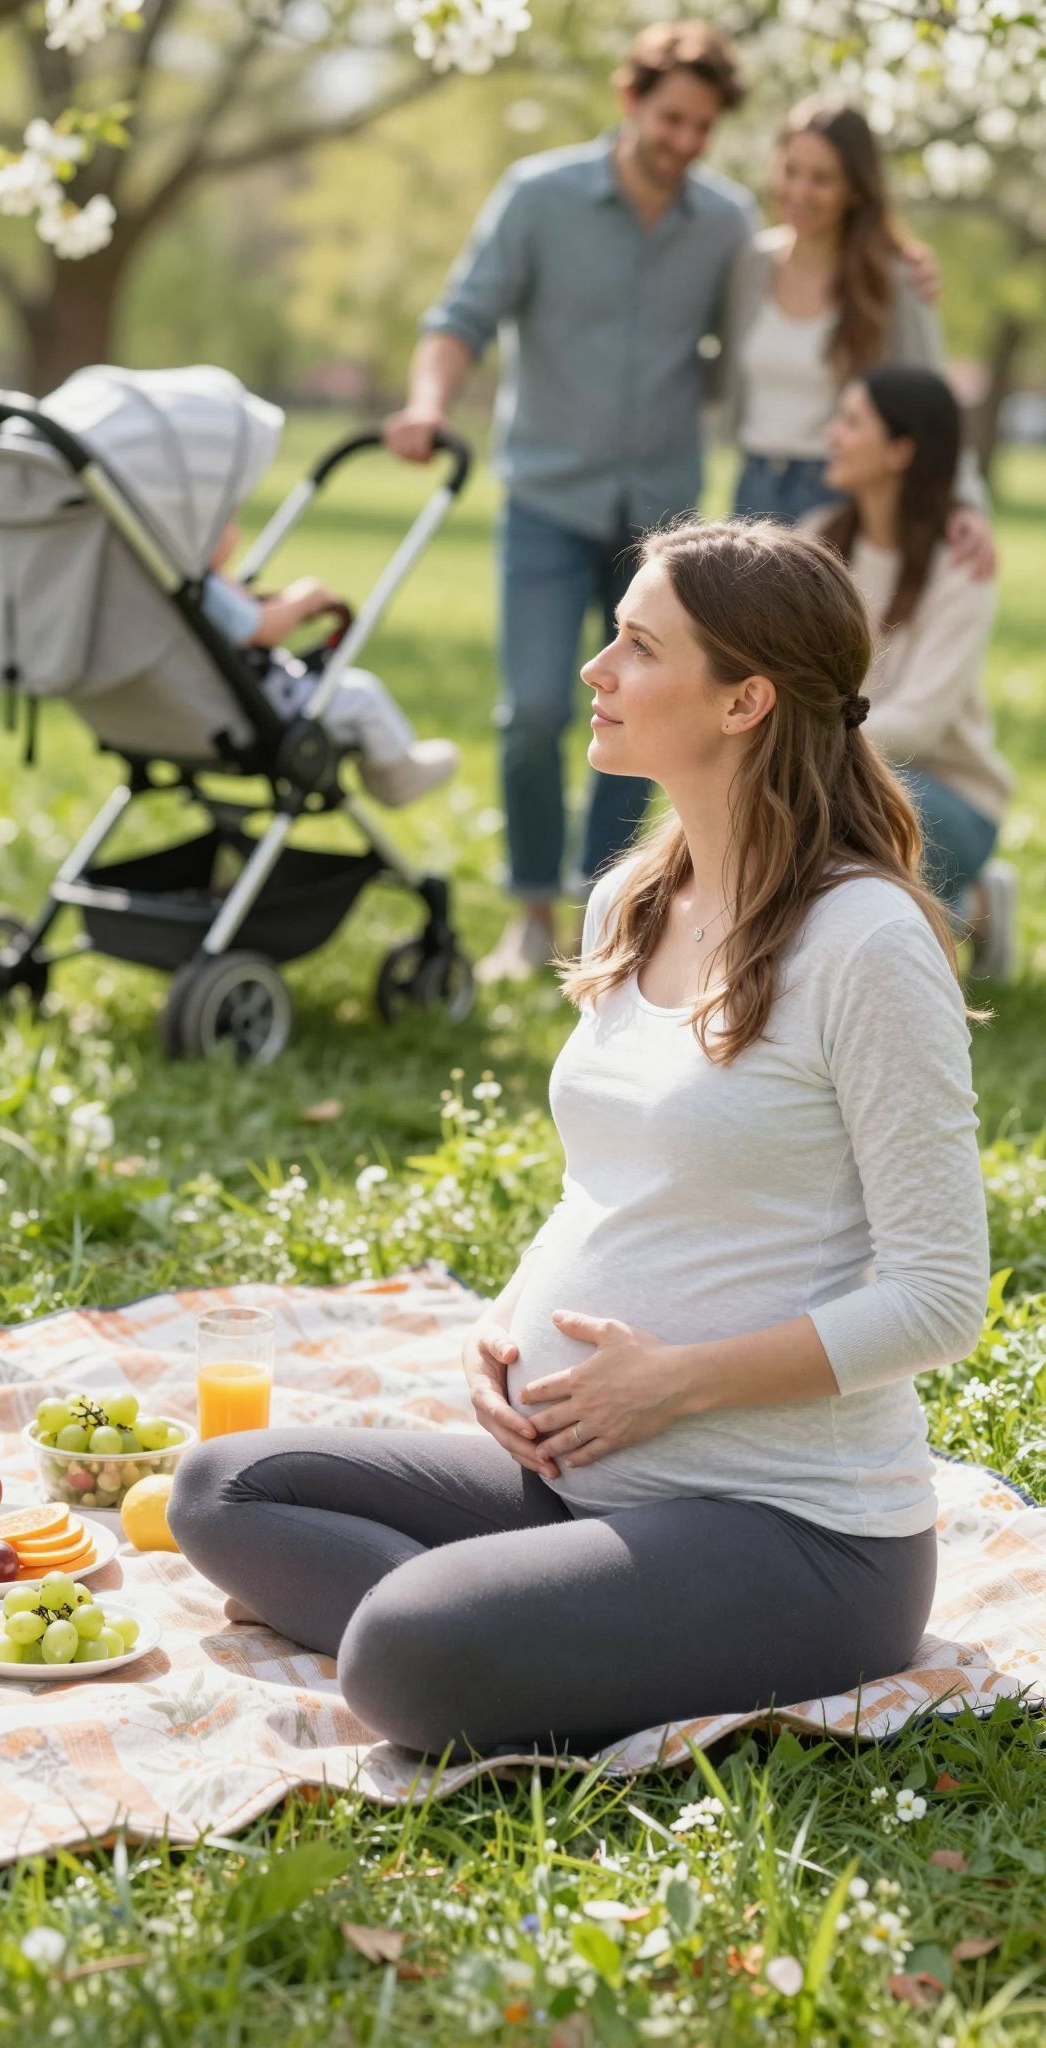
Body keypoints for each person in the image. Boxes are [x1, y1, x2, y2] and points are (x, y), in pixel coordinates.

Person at [168, 519, 990, 1762]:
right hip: (582, 1475)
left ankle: (477, 1620)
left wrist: (675, 1379)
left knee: (399, 1654)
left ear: (744, 700)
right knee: (224, 1488)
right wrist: (508, 1321)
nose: (597, 667)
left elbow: (939, 1298)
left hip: (795, 1528)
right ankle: (544, 1608)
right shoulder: (635, 896)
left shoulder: (865, 943)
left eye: (639, 645)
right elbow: (610, 1178)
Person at [383, 21, 756, 981]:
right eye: (672, 117)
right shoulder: (539, 197)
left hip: (660, 522)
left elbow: (774, 319)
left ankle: (608, 913)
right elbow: (460, 316)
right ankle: (530, 909)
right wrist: (427, 404)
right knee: (534, 708)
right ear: (629, 100)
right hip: (546, 499)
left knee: (648, 720)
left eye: (703, 127)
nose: (684, 141)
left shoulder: (724, 223)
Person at [813, 367, 1015, 969]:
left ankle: (971, 905)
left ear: (901, 451)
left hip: (949, 791)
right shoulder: (817, 542)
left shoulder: (961, 567)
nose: (833, 435)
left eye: (852, 423)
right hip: (837, 770)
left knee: (846, 881)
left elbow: (920, 722)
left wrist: (803, 735)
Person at [719, 98, 986, 527]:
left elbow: (934, 400)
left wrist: (966, 504)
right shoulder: (751, 263)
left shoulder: (893, 280)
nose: (799, 192)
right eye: (790, 171)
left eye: (822, 179)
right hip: (753, 487)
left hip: (842, 494)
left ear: (855, 189)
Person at [202, 520, 459, 808]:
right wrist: (301, 600)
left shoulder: (160, 588)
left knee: (349, 704)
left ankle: (386, 764)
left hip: (199, 716)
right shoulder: (205, 588)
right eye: (228, 522)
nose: (237, 532)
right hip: (266, 711)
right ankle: (399, 776)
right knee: (362, 694)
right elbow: (261, 628)